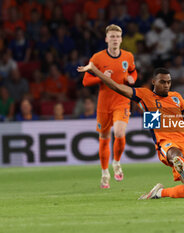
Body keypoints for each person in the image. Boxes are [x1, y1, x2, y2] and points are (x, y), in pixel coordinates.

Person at [78, 63, 184, 199]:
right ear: (153, 82)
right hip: (165, 141)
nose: (166, 85)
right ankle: (178, 161)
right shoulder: (144, 95)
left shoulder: (177, 97)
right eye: (162, 82)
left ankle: (158, 193)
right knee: (175, 154)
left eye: (169, 82)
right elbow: (116, 86)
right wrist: (94, 70)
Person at [82, 24, 137, 188]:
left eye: (117, 36)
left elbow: (133, 71)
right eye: (112, 36)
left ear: (121, 39)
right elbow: (85, 81)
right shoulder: (97, 58)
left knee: (119, 132)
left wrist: (132, 78)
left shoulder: (128, 56)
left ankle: (117, 162)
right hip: (104, 103)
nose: (115, 39)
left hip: (122, 101)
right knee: (104, 138)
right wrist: (101, 77)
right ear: (106, 39)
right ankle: (104, 173)